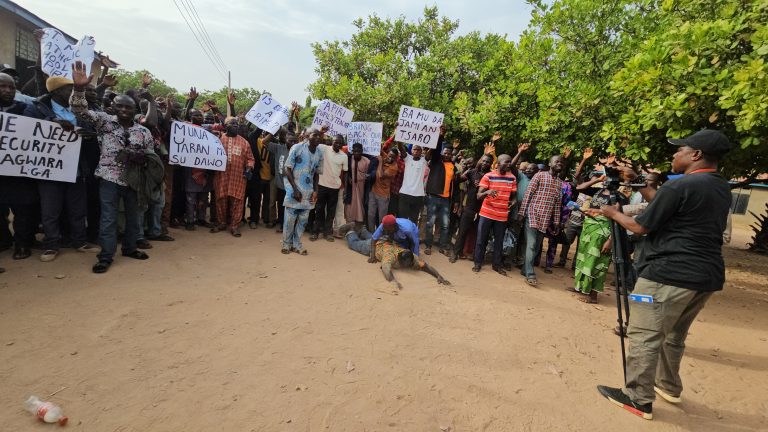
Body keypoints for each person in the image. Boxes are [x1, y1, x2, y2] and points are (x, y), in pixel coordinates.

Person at [593, 129, 732, 421]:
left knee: (644, 334)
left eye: (680, 149)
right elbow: (667, 206)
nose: (674, 154)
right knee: (674, 336)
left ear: (695, 155)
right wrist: (639, 182)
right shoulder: (718, 185)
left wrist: (613, 213)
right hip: (704, 276)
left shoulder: (679, 186)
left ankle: (638, 398)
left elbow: (642, 226)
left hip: (668, 274)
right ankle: (667, 386)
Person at [70, 61, 156, 273]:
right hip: (109, 178)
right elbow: (80, 110)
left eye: (129, 107)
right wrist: (79, 88)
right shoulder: (104, 122)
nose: (125, 110)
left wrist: (139, 157)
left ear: (134, 109)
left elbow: (151, 156)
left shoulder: (143, 132)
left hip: (134, 180)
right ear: (114, 107)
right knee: (108, 218)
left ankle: (129, 248)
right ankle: (105, 256)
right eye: (121, 106)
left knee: (134, 218)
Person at [22, 76, 100, 261]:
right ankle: (51, 245)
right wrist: (53, 123)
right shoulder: (37, 108)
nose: (73, 93)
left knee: (77, 209)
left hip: (77, 168)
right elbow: (27, 128)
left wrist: (86, 132)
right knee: (50, 211)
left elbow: (91, 127)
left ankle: (80, 241)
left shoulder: (78, 109)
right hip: (50, 170)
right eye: (69, 89)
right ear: (56, 92)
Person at [0, 72, 38, 264]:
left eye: (11, 87)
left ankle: (22, 243)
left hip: (18, 170)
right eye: (2, 86)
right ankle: (4, 239)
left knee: (22, 208)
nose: (7, 90)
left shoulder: (25, 110)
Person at [517, 155, 565, 286]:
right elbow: (528, 194)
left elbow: (557, 203)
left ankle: (524, 269)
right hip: (532, 214)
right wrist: (522, 212)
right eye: (557, 161)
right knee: (531, 245)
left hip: (545, 219)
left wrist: (556, 221)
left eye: (562, 162)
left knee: (537, 246)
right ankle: (530, 274)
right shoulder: (539, 175)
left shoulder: (560, 183)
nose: (559, 163)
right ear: (550, 163)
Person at [281, 127, 323, 255]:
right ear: (307, 136)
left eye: (318, 136)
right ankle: (286, 244)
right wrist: (294, 189)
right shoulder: (297, 148)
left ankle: (297, 244)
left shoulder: (320, 153)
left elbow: (316, 174)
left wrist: (316, 190)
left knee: (303, 220)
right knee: (290, 219)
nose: (317, 138)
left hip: (308, 192)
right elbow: (287, 169)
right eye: (314, 135)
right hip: (293, 190)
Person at [472, 154, 517, 275]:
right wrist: (487, 191)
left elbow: (513, 197)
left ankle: (496, 265)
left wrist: (513, 202)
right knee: (481, 239)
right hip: (487, 213)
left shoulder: (512, 178)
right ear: (498, 163)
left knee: (499, 241)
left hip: (502, 216)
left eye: (510, 162)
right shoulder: (488, 176)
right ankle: (477, 263)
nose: (509, 164)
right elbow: (478, 195)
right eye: (507, 162)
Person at [211, 118, 255, 237]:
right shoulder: (218, 139)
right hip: (221, 176)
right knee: (221, 200)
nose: (236, 126)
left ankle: (235, 226)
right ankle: (221, 223)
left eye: (237, 124)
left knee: (237, 202)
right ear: (226, 126)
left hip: (238, 177)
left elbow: (251, 158)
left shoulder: (244, 142)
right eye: (233, 124)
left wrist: (249, 168)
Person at [450, 154, 492, 263]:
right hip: (469, 207)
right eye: (483, 161)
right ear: (480, 161)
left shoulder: (491, 175)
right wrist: (462, 171)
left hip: (484, 210)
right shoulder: (472, 172)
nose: (485, 163)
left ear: (491, 164)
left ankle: (475, 256)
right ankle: (455, 253)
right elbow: (458, 180)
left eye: (487, 162)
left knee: (479, 234)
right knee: (462, 232)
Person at [311, 134, 348, 241]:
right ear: (332, 141)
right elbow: (316, 140)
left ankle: (328, 233)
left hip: (335, 188)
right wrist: (321, 132)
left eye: (340, 143)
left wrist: (344, 188)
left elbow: (345, 173)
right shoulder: (324, 148)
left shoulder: (344, 156)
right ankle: (315, 232)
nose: (338, 144)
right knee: (319, 209)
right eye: (336, 142)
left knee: (331, 211)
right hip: (322, 185)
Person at [423, 134, 455, 255]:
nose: (447, 155)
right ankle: (428, 246)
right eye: (445, 152)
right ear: (442, 153)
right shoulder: (436, 161)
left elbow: (454, 185)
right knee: (430, 223)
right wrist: (440, 135)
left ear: (451, 155)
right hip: (433, 197)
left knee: (445, 225)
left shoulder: (452, 166)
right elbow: (435, 149)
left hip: (446, 199)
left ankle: (442, 246)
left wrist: (454, 200)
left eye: (449, 153)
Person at [265, 128, 295, 233]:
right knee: (280, 205)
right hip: (279, 183)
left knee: (289, 206)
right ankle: (282, 224)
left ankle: (289, 225)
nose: (291, 142)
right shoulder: (278, 148)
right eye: (288, 139)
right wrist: (273, 130)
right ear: (284, 139)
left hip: (291, 184)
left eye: (293, 140)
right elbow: (264, 142)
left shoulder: (296, 150)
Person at [396, 140, 428, 223]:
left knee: (413, 220)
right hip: (404, 193)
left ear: (421, 151)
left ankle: (410, 236)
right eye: (414, 149)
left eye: (418, 150)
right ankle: (402, 236)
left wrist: (438, 137)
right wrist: (399, 137)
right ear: (411, 150)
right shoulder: (407, 158)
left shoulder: (424, 160)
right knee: (402, 218)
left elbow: (432, 151)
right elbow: (401, 148)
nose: (416, 151)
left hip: (418, 195)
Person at [367, 147, 399, 231]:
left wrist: (380, 161)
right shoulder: (386, 157)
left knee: (382, 218)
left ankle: (380, 235)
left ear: (396, 158)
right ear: (388, 153)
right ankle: (371, 234)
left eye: (393, 157)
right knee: (370, 215)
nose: (390, 158)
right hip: (373, 192)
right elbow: (380, 148)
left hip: (383, 196)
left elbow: (380, 175)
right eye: (389, 155)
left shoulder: (394, 167)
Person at [344, 143, 370, 230]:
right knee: (350, 205)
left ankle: (359, 225)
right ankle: (349, 225)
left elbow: (368, 174)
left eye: (359, 151)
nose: (357, 153)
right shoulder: (349, 159)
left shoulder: (367, 161)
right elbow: (346, 171)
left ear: (362, 151)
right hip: (351, 187)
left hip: (361, 186)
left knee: (360, 204)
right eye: (355, 151)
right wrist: (348, 179)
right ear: (352, 151)